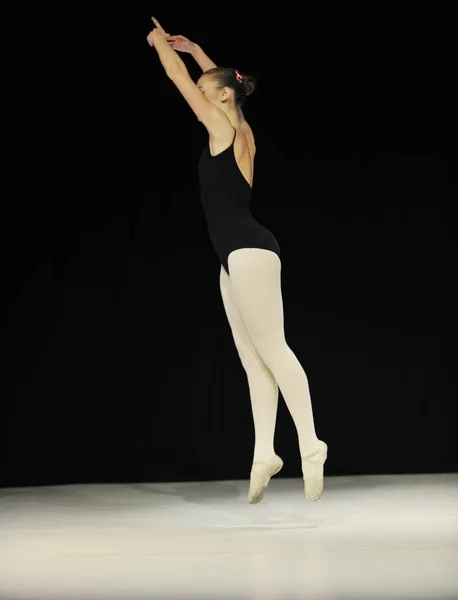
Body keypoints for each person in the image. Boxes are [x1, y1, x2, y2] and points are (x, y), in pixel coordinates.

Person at [147, 18, 328, 504]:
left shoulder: (220, 125)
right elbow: (221, 82)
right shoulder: (238, 122)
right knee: (254, 363)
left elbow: (180, 81)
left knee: (274, 351)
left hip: (249, 251)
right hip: (236, 257)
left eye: (210, 90)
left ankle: (311, 444)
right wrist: (198, 50)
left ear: (221, 98)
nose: (202, 94)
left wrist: (160, 47)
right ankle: (264, 453)